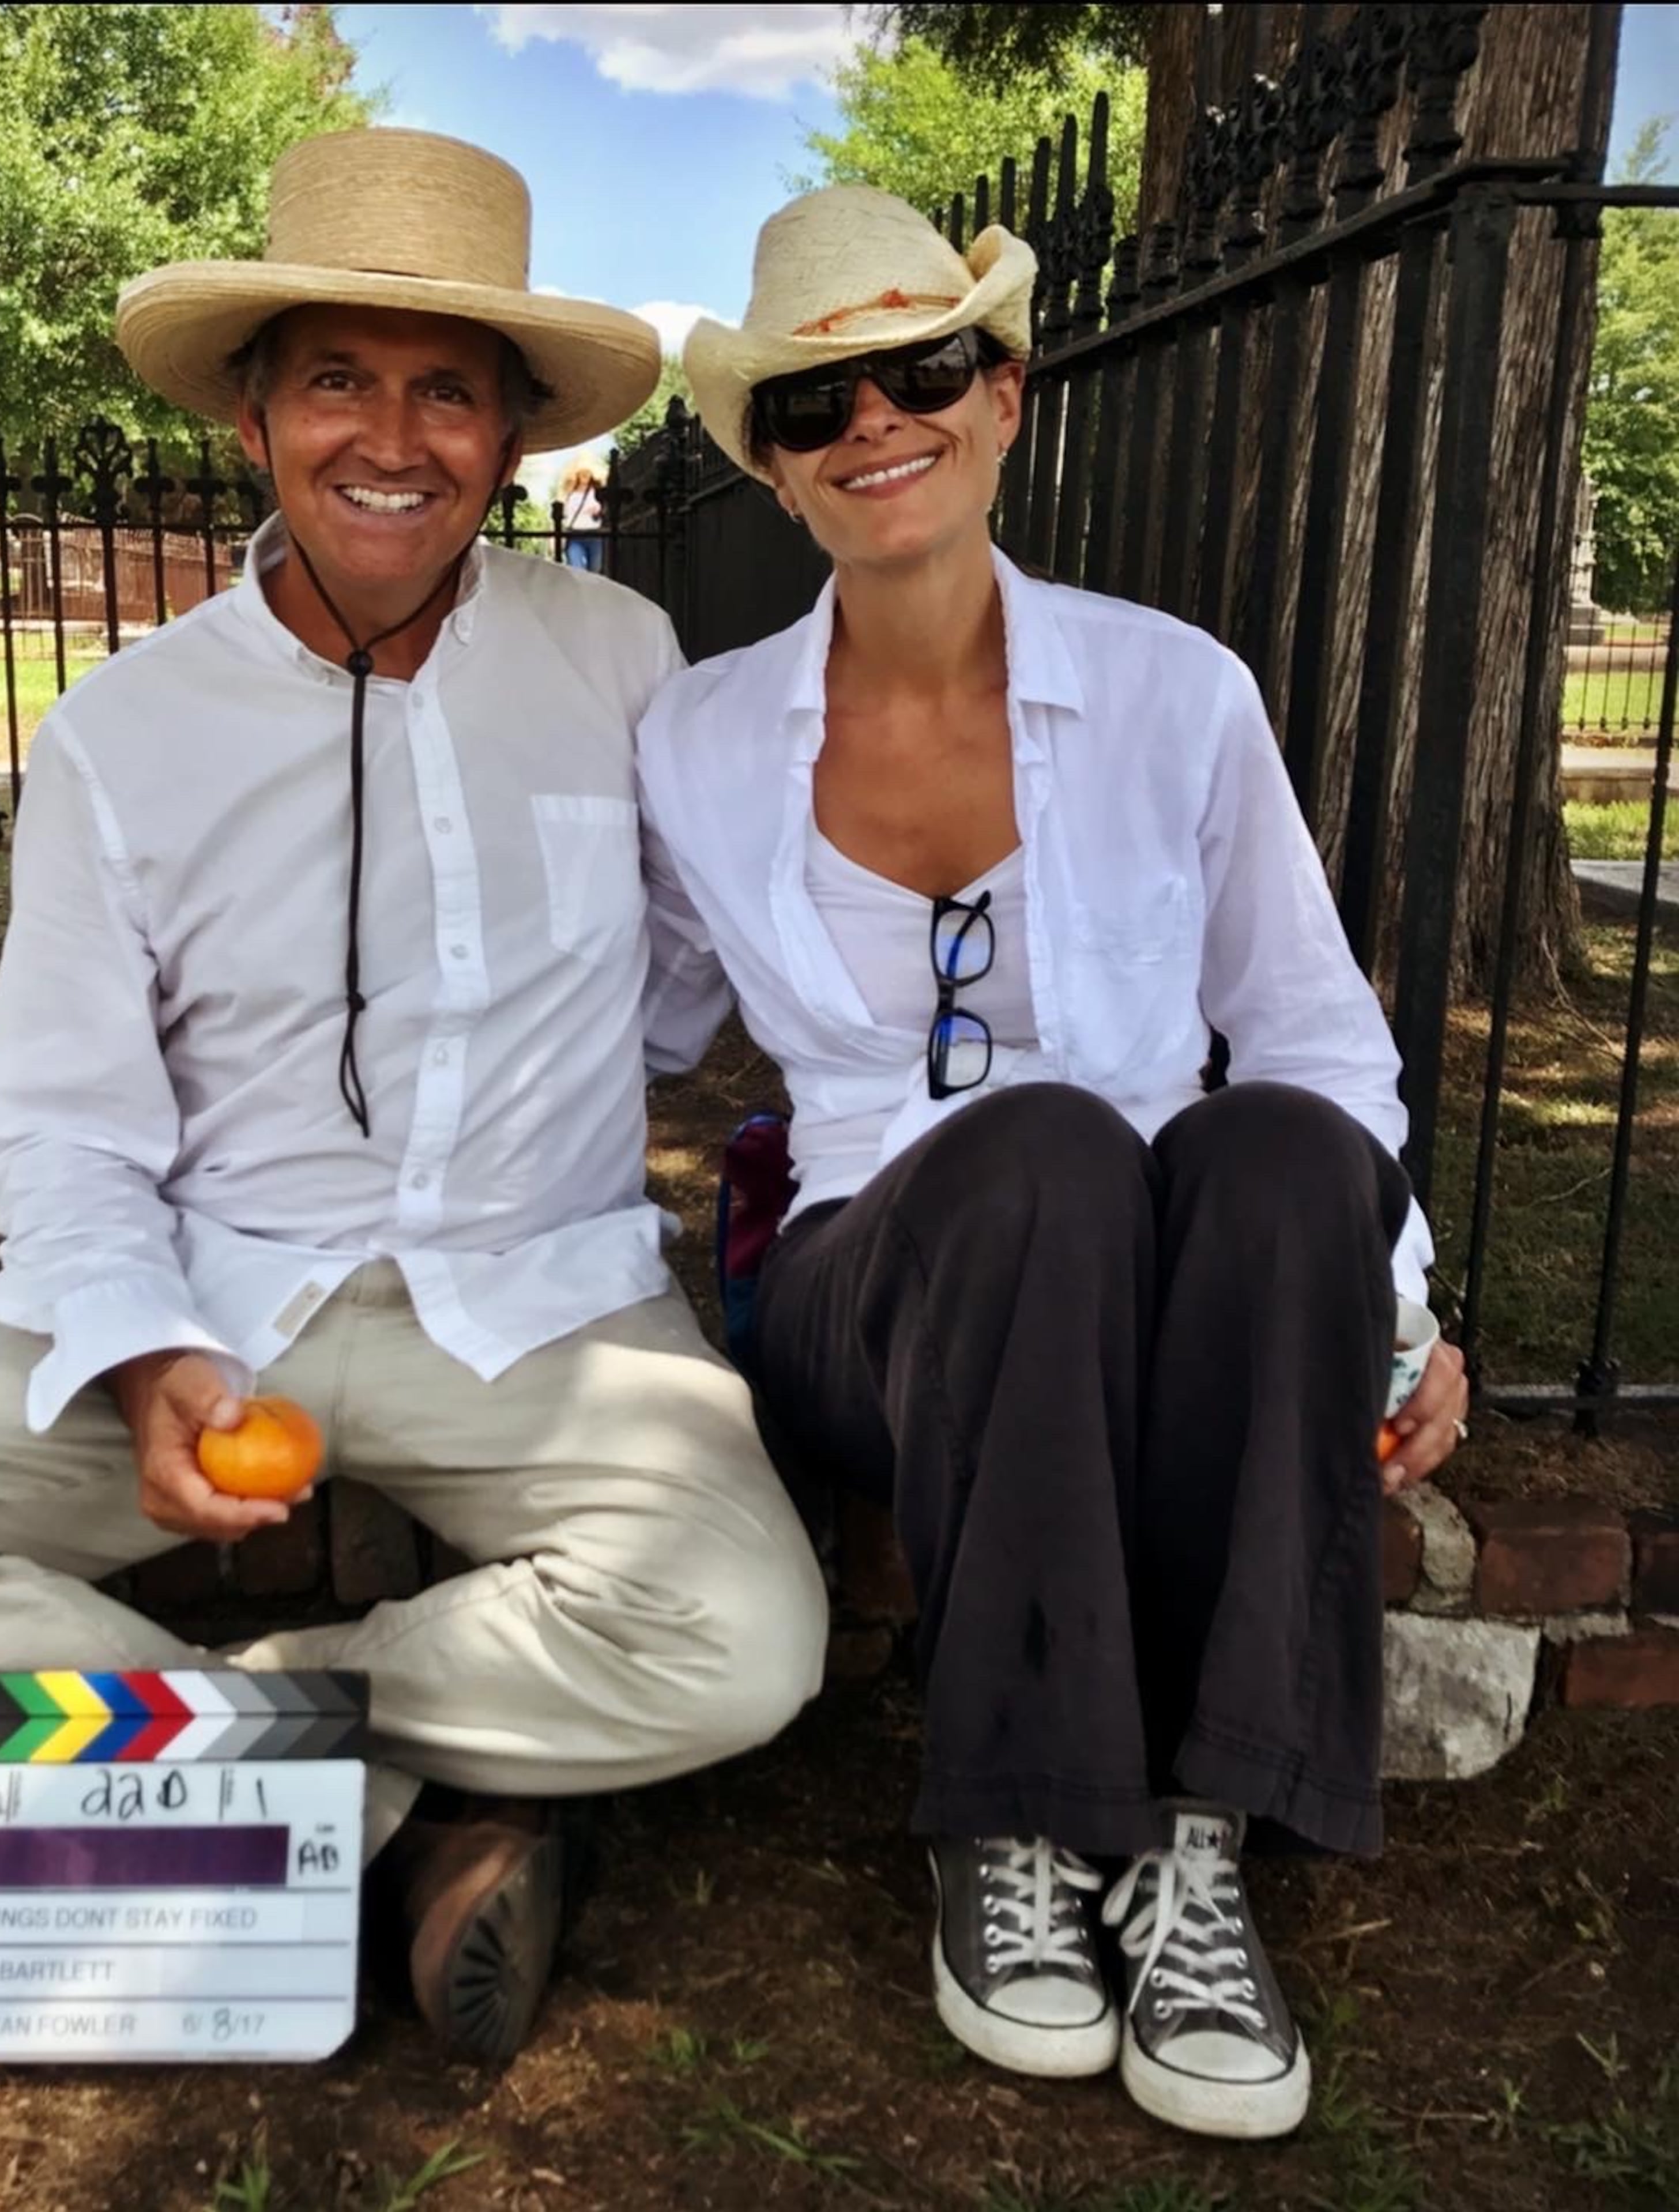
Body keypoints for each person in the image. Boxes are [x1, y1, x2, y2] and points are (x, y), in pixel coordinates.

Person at [0, 129, 829, 2064]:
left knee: (745, 1631)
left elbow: (706, 954)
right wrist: (140, 1361)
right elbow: (59, 1118)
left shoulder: (622, 657)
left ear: (515, 435)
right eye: (340, 380)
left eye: (448, 389)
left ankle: (271, 1726)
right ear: (254, 420)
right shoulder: (128, 733)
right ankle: (395, 1803)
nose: (396, 436)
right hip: (213, 1305)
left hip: (541, 1305)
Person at [637, 183, 1471, 2141]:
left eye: (924, 370)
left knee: (1264, 1147)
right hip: (883, 1281)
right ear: (771, 458)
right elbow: (632, 1031)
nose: (877, 424)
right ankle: (1016, 1811)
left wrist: (1398, 1312)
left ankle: (1198, 1842)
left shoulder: (1174, 688)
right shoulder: (693, 737)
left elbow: (1315, 1027)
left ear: (1006, 395)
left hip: (1172, 1258)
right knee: (1037, 1154)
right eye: (819, 401)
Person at [558, 459, 607, 571]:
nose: (585, 476)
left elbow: (606, 511)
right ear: (577, 475)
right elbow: (562, 514)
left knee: (595, 570)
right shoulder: (569, 494)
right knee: (576, 570)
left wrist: (600, 512)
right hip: (575, 535)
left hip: (594, 535)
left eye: (588, 473)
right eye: (582, 473)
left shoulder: (598, 492)